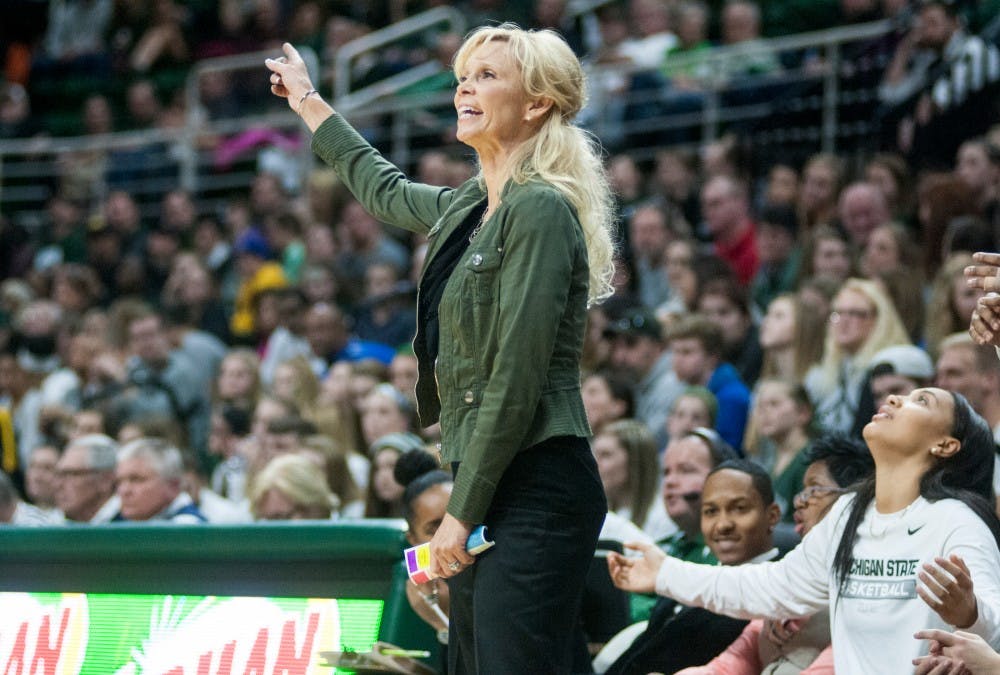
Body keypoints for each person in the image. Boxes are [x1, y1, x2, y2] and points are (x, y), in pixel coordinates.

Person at [268, 25, 617, 672]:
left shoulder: (539, 210)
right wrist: (308, 102)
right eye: (463, 72)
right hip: (489, 480)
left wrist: (458, 516)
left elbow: (516, 378)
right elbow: (386, 189)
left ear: (536, 103)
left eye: (487, 74)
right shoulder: (471, 204)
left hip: (537, 480)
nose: (465, 84)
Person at [609, 387, 1000, 672]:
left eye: (923, 401)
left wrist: (970, 613)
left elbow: (995, 627)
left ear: (945, 445)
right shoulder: (849, 513)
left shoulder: (957, 521)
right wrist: (664, 573)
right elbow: (769, 588)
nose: (897, 399)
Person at [599, 459, 782, 675]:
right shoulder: (687, 575)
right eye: (711, 511)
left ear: (772, 516)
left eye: (739, 509)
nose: (723, 525)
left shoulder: (780, 591)